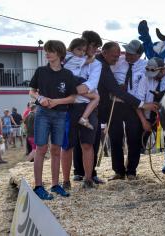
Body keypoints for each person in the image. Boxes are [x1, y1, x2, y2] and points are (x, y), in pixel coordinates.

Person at [29, 40, 77, 200]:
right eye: (46, 51)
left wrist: (57, 101)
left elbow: (73, 97)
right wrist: (40, 98)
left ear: (59, 53)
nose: (47, 53)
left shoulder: (68, 75)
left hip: (61, 115)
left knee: (56, 150)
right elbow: (32, 91)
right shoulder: (41, 71)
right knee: (41, 149)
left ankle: (56, 185)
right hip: (42, 113)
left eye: (50, 51)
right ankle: (38, 186)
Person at [61, 31, 102, 189]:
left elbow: (91, 84)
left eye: (97, 47)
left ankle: (88, 178)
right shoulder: (69, 59)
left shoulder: (96, 64)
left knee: (87, 144)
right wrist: (68, 91)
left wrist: (69, 90)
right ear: (86, 44)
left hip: (87, 107)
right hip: (68, 107)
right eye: (94, 46)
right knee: (67, 145)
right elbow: (63, 78)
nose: (95, 50)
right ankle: (65, 180)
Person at [109, 39, 148, 181]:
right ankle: (118, 171)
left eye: (131, 53)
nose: (127, 55)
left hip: (134, 106)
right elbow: (108, 77)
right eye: (127, 52)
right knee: (115, 138)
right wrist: (115, 87)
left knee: (134, 138)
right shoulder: (118, 61)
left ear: (139, 54)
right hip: (116, 104)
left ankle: (131, 170)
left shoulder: (145, 65)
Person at [135, 57, 165, 173]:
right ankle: (130, 171)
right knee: (136, 144)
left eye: (156, 73)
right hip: (147, 117)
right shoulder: (145, 78)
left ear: (163, 70)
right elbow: (137, 102)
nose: (152, 77)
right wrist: (144, 121)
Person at [64, 38, 100, 130]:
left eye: (83, 50)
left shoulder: (65, 56)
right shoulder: (77, 59)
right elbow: (90, 60)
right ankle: (84, 118)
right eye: (79, 49)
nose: (82, 53)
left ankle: (84, 118)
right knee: (96, 97)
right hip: (74, 80)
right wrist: (94, 55)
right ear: (72, 48)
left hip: (67, 80)